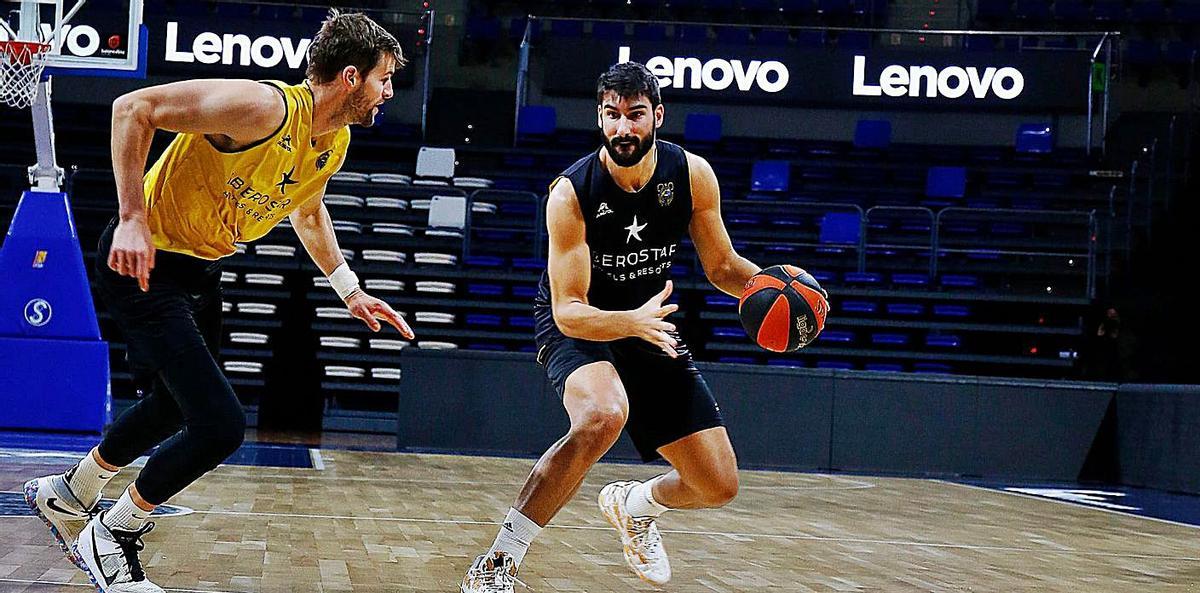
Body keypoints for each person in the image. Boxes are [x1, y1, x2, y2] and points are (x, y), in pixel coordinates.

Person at [23, 10, 413, 593]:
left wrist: (349, 289)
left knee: (175, 407)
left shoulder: (334, 141)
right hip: (146, 262)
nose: (389, 92)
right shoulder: (263, 108)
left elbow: (306, 210)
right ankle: (112, 533)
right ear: (351, 77)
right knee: (221, 426)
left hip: (201, 272)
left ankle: (71, 492)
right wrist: (131, 216)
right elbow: (132, 108)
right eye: (384, 79)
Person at [461, 62, 767, 592]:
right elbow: (569, 310)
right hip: (581, 324)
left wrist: (777, 285)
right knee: (603, 415)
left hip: (646, 325)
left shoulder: (691, 174)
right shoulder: (572, 192)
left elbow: (721, 267)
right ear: (599, 118)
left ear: (658, 116)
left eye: (635, 114)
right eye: (611, 115)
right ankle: (498, 562)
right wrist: (630, 321)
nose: (623, 128)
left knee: (717, 484)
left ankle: (635, 503)